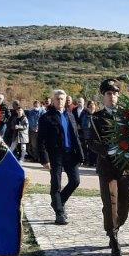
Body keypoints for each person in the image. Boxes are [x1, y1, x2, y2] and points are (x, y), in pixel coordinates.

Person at [88, 79, 129, 256]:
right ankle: (113, 236)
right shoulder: (96, 118)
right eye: (108, 93)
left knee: (124, 205)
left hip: (126, 168)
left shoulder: (128, 117)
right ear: (103, 96)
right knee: (111, 203)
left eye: (115, 93)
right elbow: (91, 142)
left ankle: (115, 224)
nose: (112, 97)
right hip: (107, 167)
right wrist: (107, 150)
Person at [37, 89, 85, 225]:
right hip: (55, 155)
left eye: (62, 99)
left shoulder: (70, 115)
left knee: (75, 181)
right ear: (53, 100)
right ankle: (59, 213)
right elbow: (40, 141)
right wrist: (44, 159)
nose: (60, 101)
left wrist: (81, 155)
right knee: (56, 184)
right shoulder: (46, 117)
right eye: (57, 99)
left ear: (66, 100)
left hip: (71, 154)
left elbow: (75, 136)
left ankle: (59, 202)